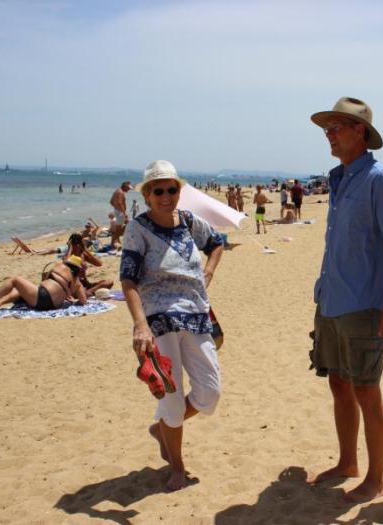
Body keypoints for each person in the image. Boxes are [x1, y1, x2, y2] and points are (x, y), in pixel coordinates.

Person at [307, 97, 383, 503]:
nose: (329, 134)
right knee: (338, 381)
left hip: (364, 304)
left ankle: (376, 477)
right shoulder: (340, 178)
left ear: (359, 132)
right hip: (331, 299)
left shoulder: (378, 179)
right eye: (327, 128)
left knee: (366, 389)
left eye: (337, 127)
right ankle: (348, 462)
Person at [120, 160, 224, 491]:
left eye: (172, 189)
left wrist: (209, 270)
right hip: (159, 320)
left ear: (179, 191)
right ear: (148, 195)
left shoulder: (190, 222)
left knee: (210, 391)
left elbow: (217, 241)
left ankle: (162, 428)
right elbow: (128, 280)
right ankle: (177, 466)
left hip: (196, 315)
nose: (166, 196)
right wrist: (140, 326)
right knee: (172, 398)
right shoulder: (137, 229)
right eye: (158, 190)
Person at [0, 255, 87, 310]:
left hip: (42, 297)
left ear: (67, 263)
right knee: (22, 290)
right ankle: (0, 302)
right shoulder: (77, 282)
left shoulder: (60, 266)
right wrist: (73, 301)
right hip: (54, 305)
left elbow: (44, 281)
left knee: (15, 279)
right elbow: (83, 301)